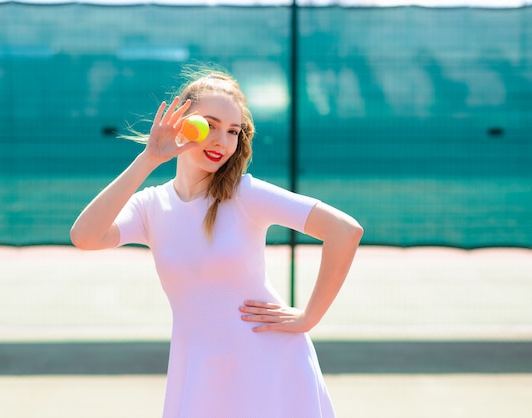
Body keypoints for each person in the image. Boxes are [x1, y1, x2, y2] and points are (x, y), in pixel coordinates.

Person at [70, 67, 363, 418]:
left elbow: (345, 231)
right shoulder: (151, 206)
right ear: (181, 122)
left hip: (270, 370)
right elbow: (85, 236)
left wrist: (308, 317)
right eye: (209, 125)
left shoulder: (246, 194)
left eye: (233, 131)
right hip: (200, 377)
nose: (222, 141)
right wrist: (149, 158)